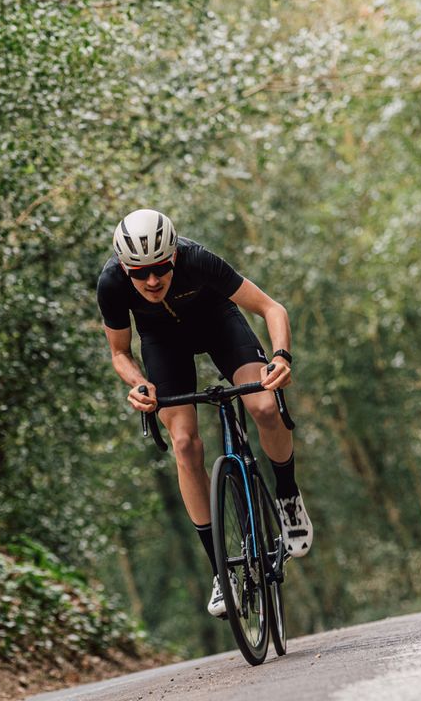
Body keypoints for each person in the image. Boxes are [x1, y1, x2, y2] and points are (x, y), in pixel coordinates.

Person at [97, 208, 313, 618]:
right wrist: (138, 384)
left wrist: (281, 357)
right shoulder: (111, 283)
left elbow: (272, 309)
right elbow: (120, 353)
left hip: (218, 324)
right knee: (183, 443)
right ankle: (221, 571)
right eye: (140, 273)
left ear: (174, 255)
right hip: (163, 344)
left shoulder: (198, 260)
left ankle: (287, 497)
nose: (152, 280)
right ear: (124, 267)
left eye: (161, 267)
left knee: (264, 405)